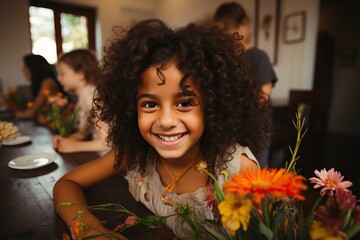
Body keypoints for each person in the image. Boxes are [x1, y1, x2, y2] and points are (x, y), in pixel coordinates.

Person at [53, 19, 271, 239]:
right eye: (150, 104)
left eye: (184, 103)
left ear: (212, 106)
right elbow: (66, 183)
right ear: (131, 108)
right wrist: (89, 228)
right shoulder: (135, 154)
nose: (166, 121)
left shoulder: (237, 170)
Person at [214, 2, 278, 167]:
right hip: (232, 128)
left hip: (255, 129)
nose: (229, 42)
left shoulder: (258, 57)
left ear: (244, 24)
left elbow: (263, 96)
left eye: (231, 36)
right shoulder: (226, 61)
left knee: (256, 170)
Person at [52, 49, 110, 153]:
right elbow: (85, 131)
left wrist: (74, 146)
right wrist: (68, 139)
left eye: (62, 74)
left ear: (80, 73)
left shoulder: (88, 95)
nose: (59, 79)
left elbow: (108, 143)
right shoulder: (87, 93)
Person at [14, 54, 64, 120]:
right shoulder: (40, 83)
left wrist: (18, 112)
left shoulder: (47, 83)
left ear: (34, 68)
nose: (23, 70)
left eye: (25, 67)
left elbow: (32, 112)